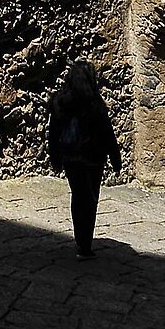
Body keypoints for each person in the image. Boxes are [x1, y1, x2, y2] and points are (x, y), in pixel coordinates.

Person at [47, 57, 122, 258]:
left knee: (78, 196)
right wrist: (116, 159)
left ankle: (81, 241)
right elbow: (107, 133)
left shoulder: (60, 102)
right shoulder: (94, 104)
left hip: (71, 157)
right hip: (93, 158)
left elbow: (53, 132)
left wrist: (55, 157)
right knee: (90, 198)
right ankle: (85, 243)